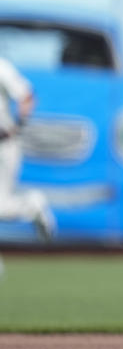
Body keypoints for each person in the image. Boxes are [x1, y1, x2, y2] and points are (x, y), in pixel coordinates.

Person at [0, 55, 55, 241]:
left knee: (1, 207)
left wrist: (17, 125)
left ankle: (34, 205)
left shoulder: (2, 67)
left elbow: (26, 95)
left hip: (4, 145)